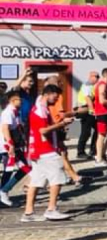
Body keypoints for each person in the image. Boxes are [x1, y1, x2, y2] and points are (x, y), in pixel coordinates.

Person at [20, 84, 74, 222]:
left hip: (38, 150)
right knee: (58, 178)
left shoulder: (39, 107)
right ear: (48, 94)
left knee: (37, 181)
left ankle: (28, 212)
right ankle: (51, 209)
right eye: (55, 97)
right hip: (46, 149)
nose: (56, 100)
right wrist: (62, 124)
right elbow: (43, 130)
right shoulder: (40, 110)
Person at [0, 90, 28, 207]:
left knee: (14, 169)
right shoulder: (8, 113)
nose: (21, 101)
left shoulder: (15, 112)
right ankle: (4, 191)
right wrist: (10, 144)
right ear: (12, 100)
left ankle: (3, 192)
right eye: (19, 99)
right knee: (18, 168)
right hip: (8, 147)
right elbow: (5, 128)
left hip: (14, 146)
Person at [75, 70, 99, 159]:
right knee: (85, 132)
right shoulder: (87, 85)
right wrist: (92, 111)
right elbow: (88, 98)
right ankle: (80, 152)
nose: (97, 78)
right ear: (91, 76)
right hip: (85, 111)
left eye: (98, 77)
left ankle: (93, 150)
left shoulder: (92, 86)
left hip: (88, 111)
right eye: (96, 76)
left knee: (98, 129)